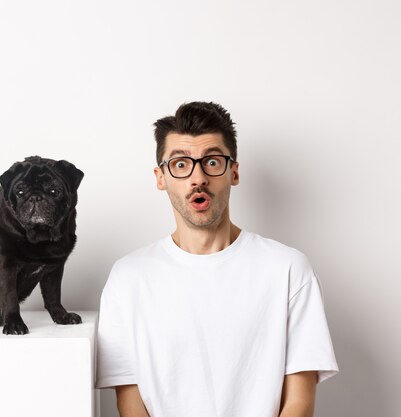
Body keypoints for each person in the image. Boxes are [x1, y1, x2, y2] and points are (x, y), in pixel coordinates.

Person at [95, 102, 339, 417]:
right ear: (161, 177)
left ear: (233, 171)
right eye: (181, 164)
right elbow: (129, 403)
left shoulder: (288, 270)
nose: (198, 178)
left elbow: (299, 404)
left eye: (211, 161)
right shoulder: (128, 278)